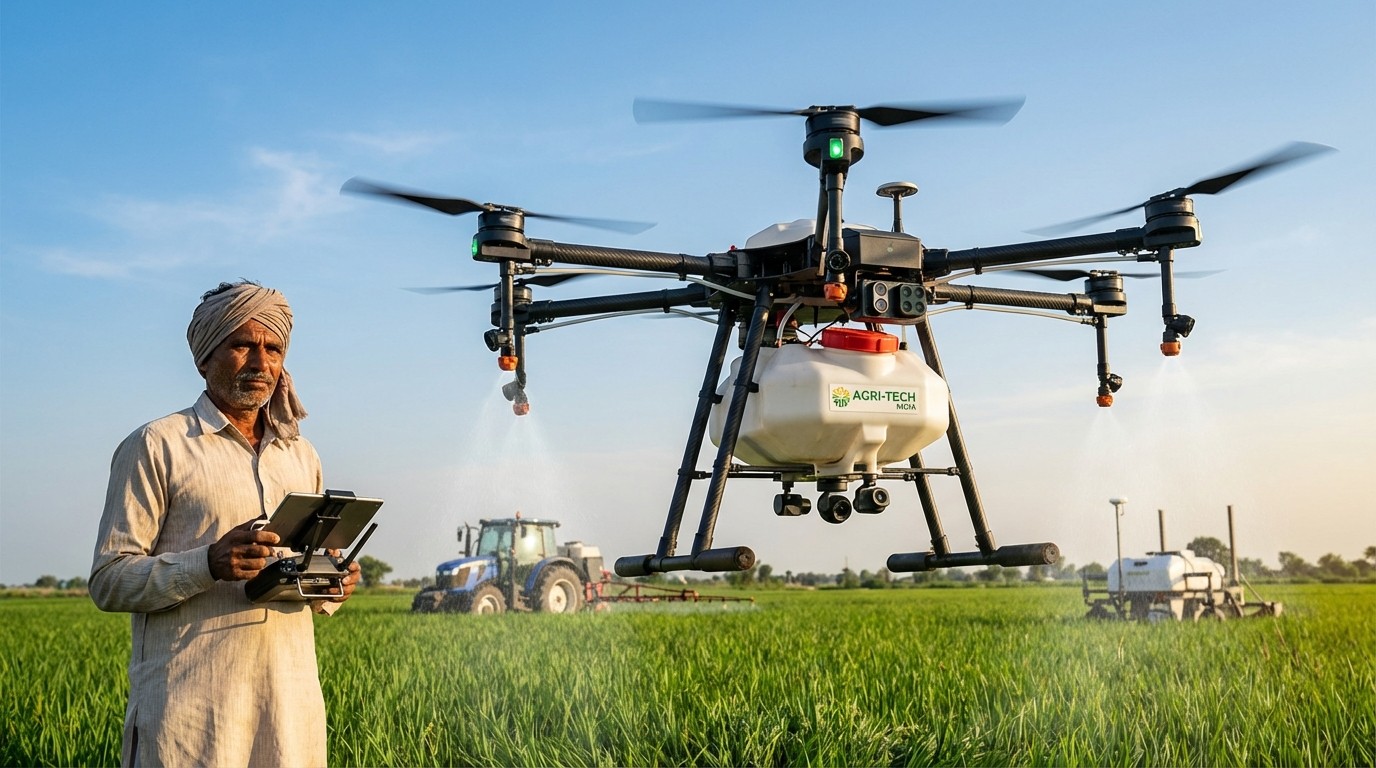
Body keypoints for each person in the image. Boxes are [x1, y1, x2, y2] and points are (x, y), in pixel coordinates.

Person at [90, 280, 361, 767]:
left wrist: (330, 584)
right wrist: (207, 563)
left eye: (273, 348)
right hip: (189, 716)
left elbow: (302, 571)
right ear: (204, 357)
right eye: (242, 345)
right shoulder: (158, 445)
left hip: (288, 713)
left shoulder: (300, 454)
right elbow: (109, 580)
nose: (261, 363)